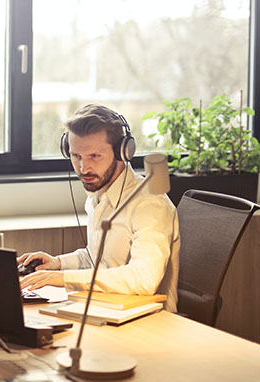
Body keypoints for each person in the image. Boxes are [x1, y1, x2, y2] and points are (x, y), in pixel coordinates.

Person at [19, 104, 180, 312]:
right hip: (105, 309)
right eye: (76, 156)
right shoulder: (98, 196)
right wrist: (58, 263)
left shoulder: (150, 204)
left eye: (94, 156)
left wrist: (63, 278)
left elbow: (144, 279)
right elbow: (97, 260)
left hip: (149, 320)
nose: (83, 168)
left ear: (123, 152)